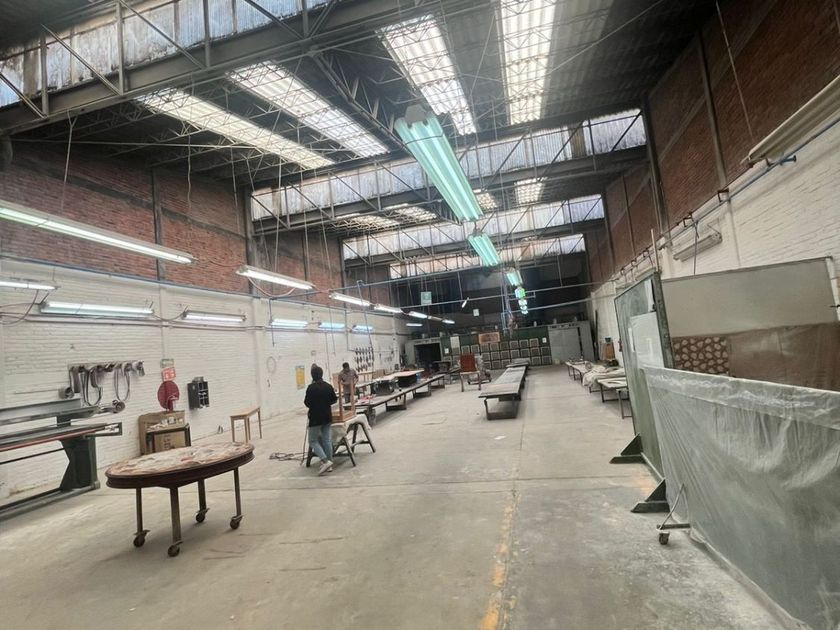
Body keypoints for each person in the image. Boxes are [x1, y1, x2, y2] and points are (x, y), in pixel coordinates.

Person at [304, 365, 337, 475]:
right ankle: (330, 464)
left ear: (312, 376)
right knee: (326, 440)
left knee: (313, 440)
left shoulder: (311, 388)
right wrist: (324, 403)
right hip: (327, 416)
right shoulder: (328, 386)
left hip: (315, 418)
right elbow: (334, 400)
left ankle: (325, 461)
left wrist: (316, 404)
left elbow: (307, 403)